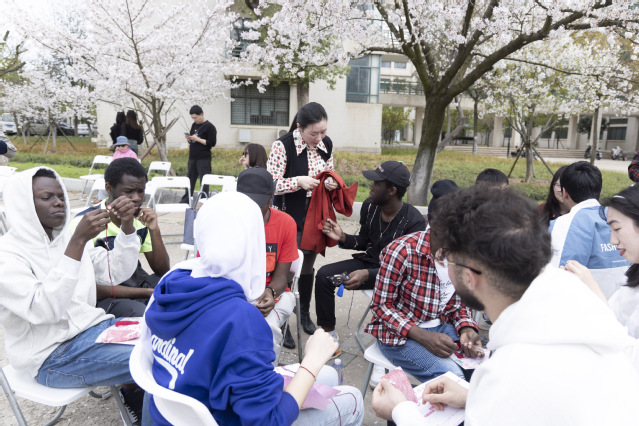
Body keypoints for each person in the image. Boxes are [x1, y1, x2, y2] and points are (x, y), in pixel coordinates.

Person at [372, 185, 639, 425]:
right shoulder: (593, 321)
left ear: (469, 276)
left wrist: (401, 411)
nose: (442, 264)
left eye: (448, 257)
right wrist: (472, 396)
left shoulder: (508, 376)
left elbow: (511, 396)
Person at [142, 191, 363, 425]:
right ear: (255, 243)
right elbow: (270, 421)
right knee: (353, 398)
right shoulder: (242, 320)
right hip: (225, 418)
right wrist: (313, 360)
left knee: (328, 375)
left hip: (175, 412)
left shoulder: (172, 282)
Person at [0, 167, 146, 423]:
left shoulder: (66, 236)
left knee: (166, 338)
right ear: (23, 203)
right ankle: (148, 409)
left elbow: (115, 271)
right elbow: (44, 310)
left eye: (61, 196)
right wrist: (77, 242)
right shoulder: (8, 255)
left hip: (93, 331)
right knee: (154, 357)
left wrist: (126, 226)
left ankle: (147, 405)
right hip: (51, 357)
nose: (58, 202)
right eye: (46, 197)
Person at [365, 179, 479, 385]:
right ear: (434, 225)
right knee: (455, 379)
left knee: (485, 370)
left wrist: (466, 329)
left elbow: (458, 305)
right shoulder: (401, 251)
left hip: (442, 326)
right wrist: (423, 336)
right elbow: (381, 306)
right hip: (398, 336)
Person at [315, 161, 426, 355]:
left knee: (394, 294)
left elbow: (408, 269)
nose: (371, 187)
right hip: (368, 265)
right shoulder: (370, 206)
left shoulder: (414, 221)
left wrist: (368, 274)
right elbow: (365, 241)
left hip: (396, 279)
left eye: (376, 183)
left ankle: (389, 345)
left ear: (391, 190)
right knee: (324, 276)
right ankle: (328, 336)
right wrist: (343, 237)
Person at [267, 102, 337, 335]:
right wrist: (298, 181)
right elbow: (271, 184)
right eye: (314, 133)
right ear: (299, 127)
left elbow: (329, 172)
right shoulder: (282, 146)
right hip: (288, 213)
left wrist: (331, 182)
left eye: (323, 132)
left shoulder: (326, 144)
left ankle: (304, 312)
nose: (319, 138)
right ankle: (282, 319)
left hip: (315, 212)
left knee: (308, 263)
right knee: (286, 267)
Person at [71, 158, 170, 318]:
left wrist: (154, 230)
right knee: (142, 312)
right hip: (102, 295)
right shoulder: (87, 223)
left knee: (177, 288)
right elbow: (88, 286)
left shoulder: (140, 220)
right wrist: (145, 292)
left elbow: (162, 270)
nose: (136, 198)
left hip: (135, 283)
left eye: (141, 191)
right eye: (128, 192)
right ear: (109, 188)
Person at [237, 167, 299, 357]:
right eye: (246, 203)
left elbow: (281, 277)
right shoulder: (228, 221)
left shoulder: (285, 223)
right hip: (234, 293)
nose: (252, 210)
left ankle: (265, 373)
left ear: (271, 198)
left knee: (266, 330)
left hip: (274, 292)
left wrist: (270, 292)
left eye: (258, 204)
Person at [549, 161, 630, 297]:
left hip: (587, 306)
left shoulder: (563, 224)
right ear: (600, 191)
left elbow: (558, 277)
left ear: (564, 193)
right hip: (625, 305)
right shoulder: (623, 218)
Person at [181, 105, 217, 203]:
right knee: (190, 180)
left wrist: (197, 139)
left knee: (204, 181)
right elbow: (193, 139)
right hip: (192, 156)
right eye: (192, 118)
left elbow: (212, 143)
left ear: (201, 114)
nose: (194, 120)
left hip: (203, 158)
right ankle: (186, 200)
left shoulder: (210, 127)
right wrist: (189, 138)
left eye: (196, 117)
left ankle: (203, 201)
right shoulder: (194, 125)